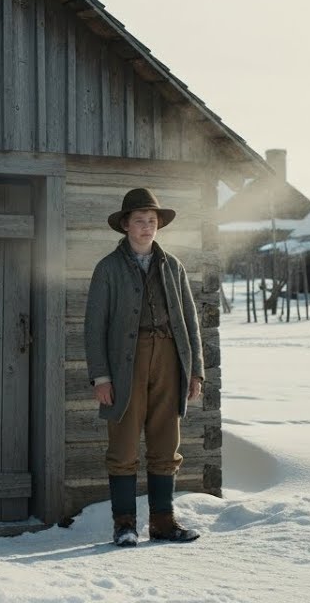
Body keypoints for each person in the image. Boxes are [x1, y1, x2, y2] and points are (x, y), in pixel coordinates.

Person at [84, 188, 204, 546]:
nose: (147, 226)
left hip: (169, 358)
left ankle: (163, 523)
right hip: (125, 364)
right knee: (123, 446)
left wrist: (195, 370)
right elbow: (94, 327)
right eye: (140, 220)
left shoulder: (173, 266)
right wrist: (101, 376)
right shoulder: (108, 268)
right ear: (126, 225)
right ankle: (124, 525)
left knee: (166, 443)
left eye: (152, 221)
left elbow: (190, 320)